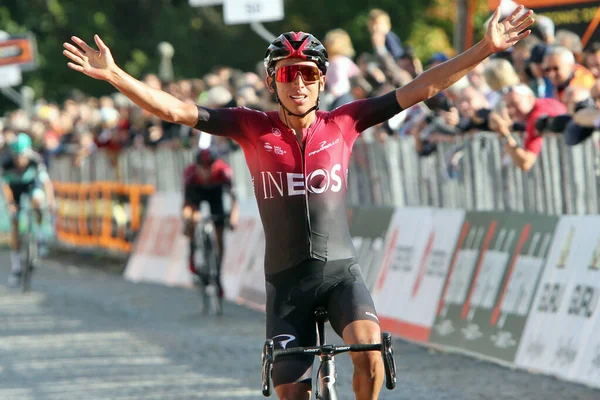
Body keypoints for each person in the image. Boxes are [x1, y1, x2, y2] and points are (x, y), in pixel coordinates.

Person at [63, 6, 534, 399]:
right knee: (293, 393)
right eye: (288, 74)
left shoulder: (345, 122)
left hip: (340, 274)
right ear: (274, 82)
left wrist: (485, 49)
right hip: (287, 284)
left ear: (322, 80)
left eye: (308, 74)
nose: (299, 83)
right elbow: (174, 109)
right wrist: (116, 75)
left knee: (370, 355)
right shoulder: (251, 126)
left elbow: (422, 88)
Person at [182, 147, 239, 299]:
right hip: (197, 193)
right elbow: (186, 204)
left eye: (210, 167)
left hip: (216, 193)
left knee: (220, 235)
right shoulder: (191, 174)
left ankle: (218, 273)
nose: (206, 172)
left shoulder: (223, 171)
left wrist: (233, 219)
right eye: (203, 168)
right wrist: (188, 220)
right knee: (192, 220)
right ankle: (193, 254)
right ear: (197, 166)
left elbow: (234, 200)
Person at [1, 133, 55, 287]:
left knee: (38, 199)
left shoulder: (35, 160)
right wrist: (11, 204)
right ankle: (16, 266)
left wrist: (50, 202)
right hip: (14, 189)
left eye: (23, 156)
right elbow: (5, 187)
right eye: (17, 156)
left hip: (31, 185)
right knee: (15, 222)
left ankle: (40, 235)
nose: (20, 160)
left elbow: (46, 183)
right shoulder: (6, 163)